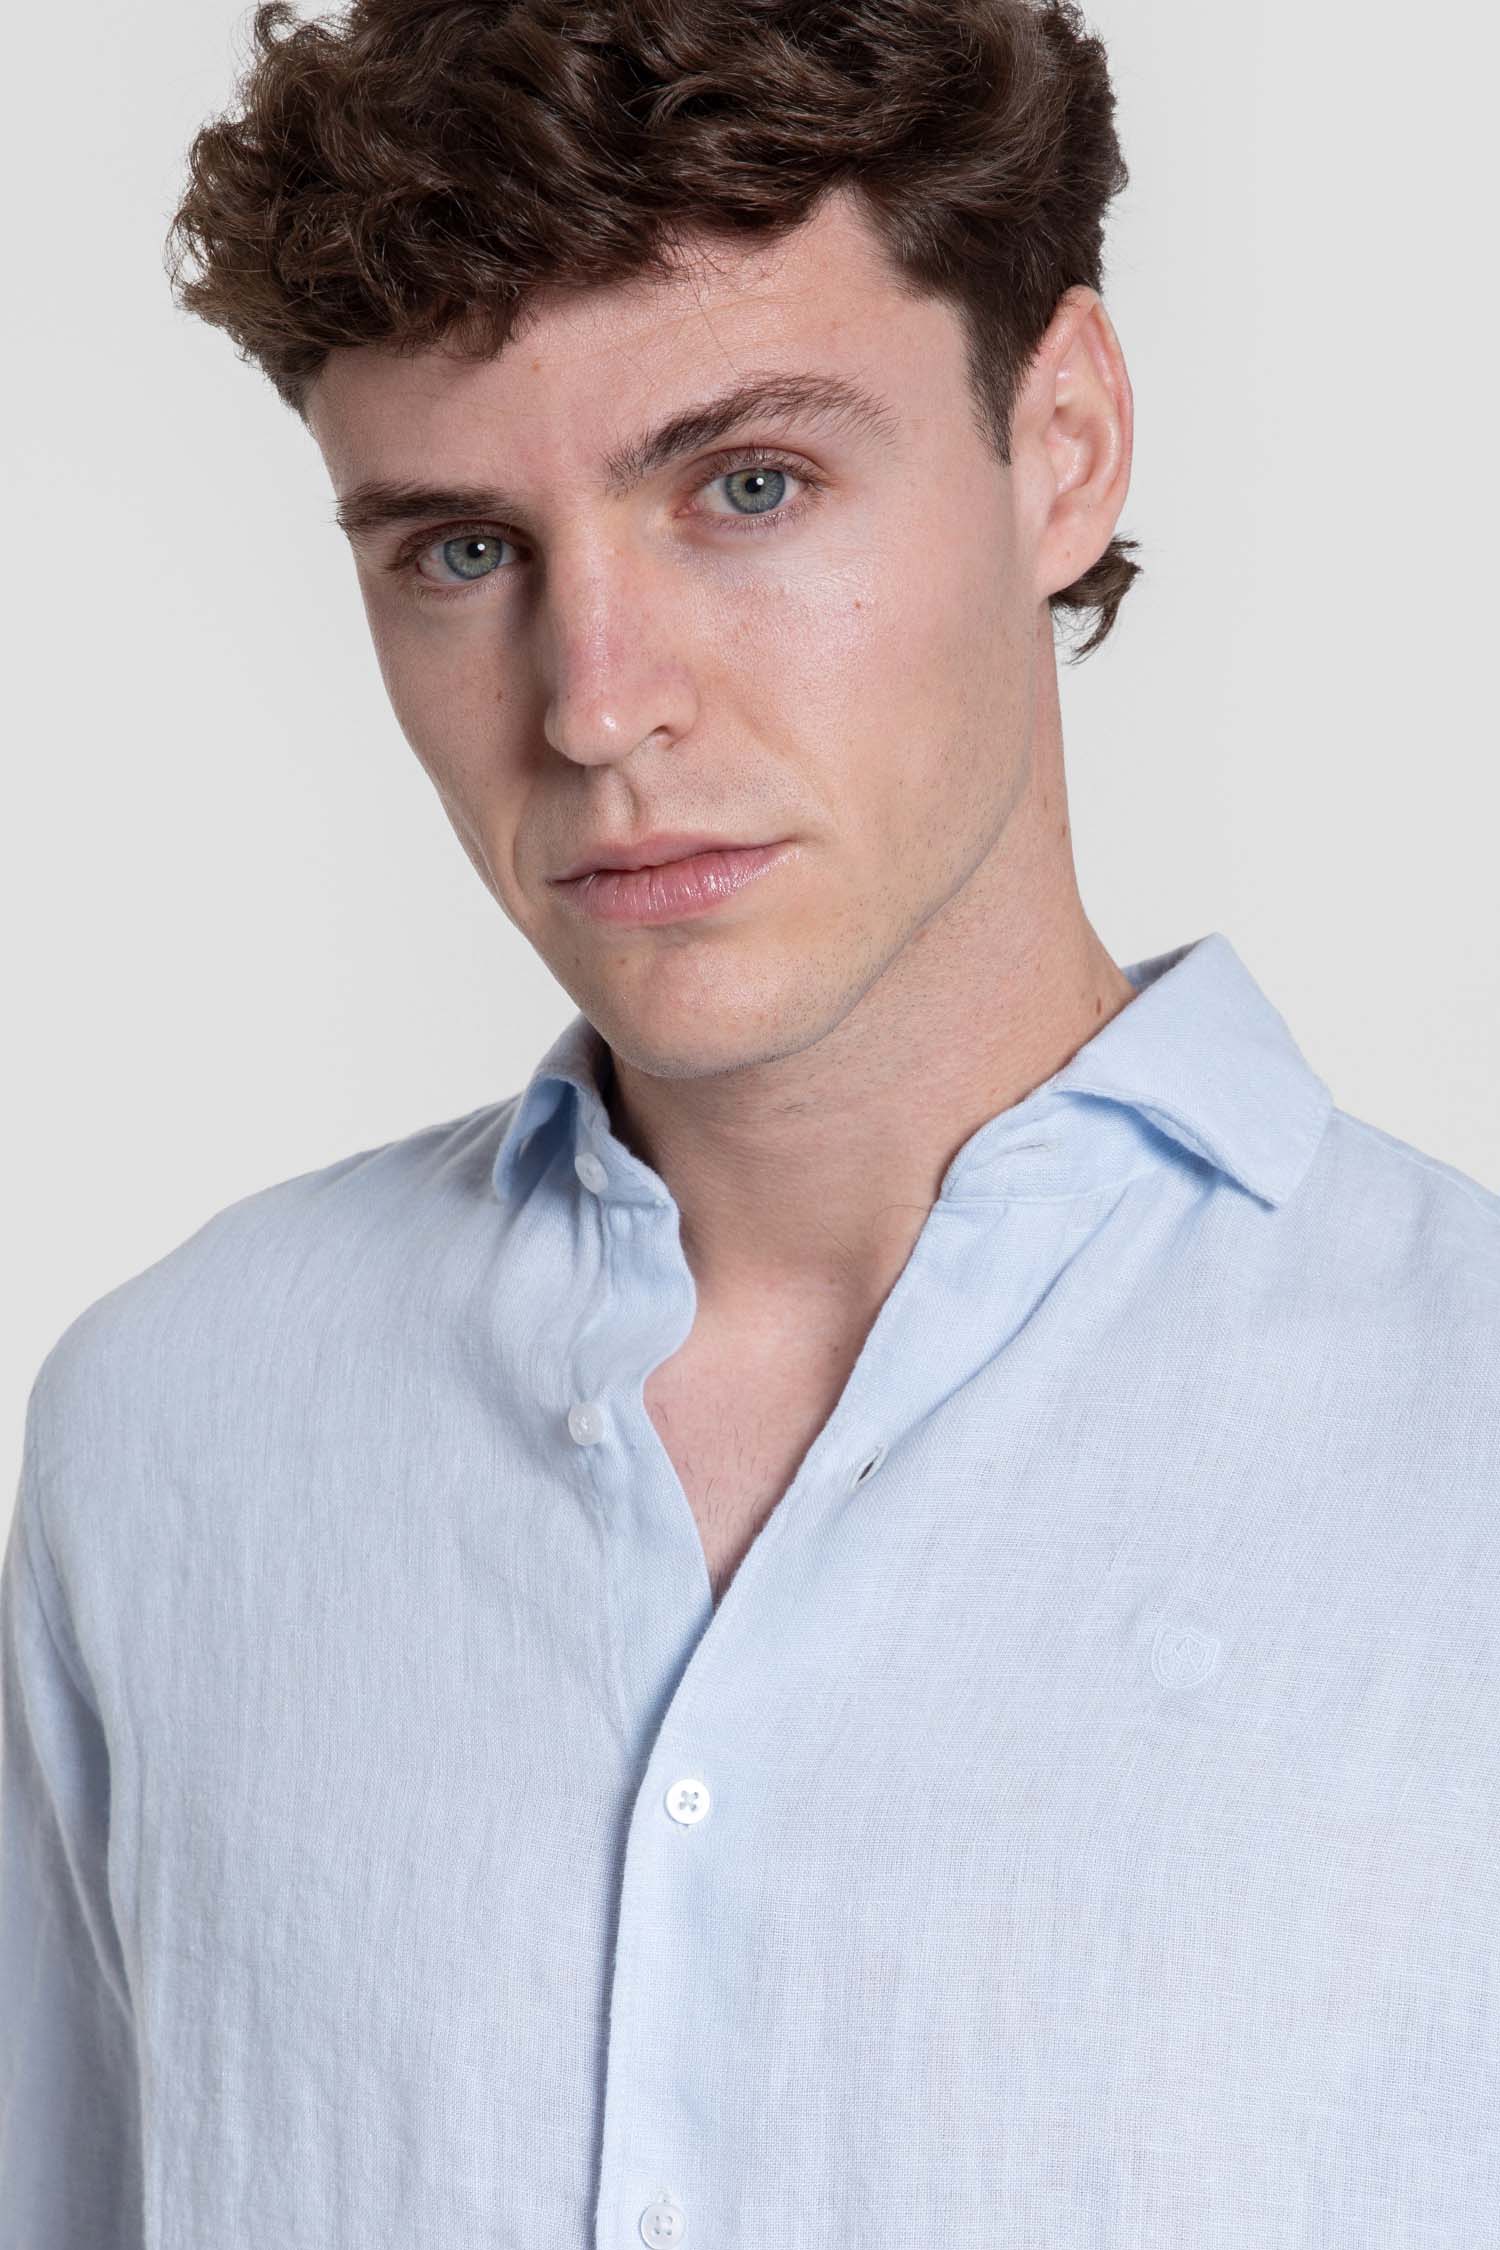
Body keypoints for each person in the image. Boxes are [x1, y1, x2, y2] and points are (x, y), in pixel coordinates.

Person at [3, 0, 1498, 2240]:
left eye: (751, 485)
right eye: (460, 550)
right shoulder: (175, 1436)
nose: (598, 705)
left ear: (1063, 444)